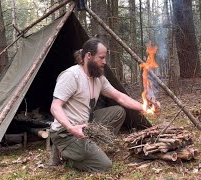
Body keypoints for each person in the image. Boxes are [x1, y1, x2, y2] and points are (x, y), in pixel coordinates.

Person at [49, 37, 143, 172]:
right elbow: (55, 107)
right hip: (66, 132)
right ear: (89, 56)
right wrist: (71, 128)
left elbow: (120, 97)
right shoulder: (71, 76)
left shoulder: (99, 78)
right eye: (101, 58)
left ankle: (88, 149)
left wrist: (144, 107)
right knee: (104, 165)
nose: (104, 62)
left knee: (117, 112)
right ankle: (66, 156)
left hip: (86, 125)